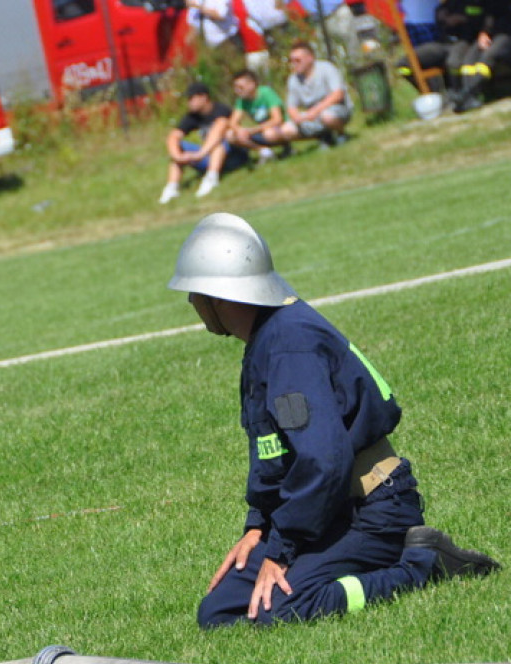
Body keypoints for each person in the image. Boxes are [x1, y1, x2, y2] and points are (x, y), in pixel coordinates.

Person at [166, 212, 500, 627]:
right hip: (327, 511)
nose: (192, 304)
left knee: (280, 609)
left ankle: (421, 564)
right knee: (218, 612)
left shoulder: (289, 346)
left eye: (195, 292)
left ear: (220, 296)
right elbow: (278, 455)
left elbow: (324, 460)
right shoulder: (268, 338)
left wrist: (281, 548)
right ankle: (356, 563)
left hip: (373, 509)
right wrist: (258, 527)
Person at [159, 82, 251, 204]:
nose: (189, 102)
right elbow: (174, 136)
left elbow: (220, 128)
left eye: (192, 98)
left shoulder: (220, 109)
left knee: (219, 140)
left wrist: (200, 154)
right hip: (208, 156)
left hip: (234, 156)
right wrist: (178, 156)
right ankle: (172, 187)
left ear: (203, 97)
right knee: (179, 146)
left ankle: (212, 177)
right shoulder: (192, 116)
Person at [258, 41, 353, 149]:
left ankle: (341, 134)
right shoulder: (293, 79)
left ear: (310, 58)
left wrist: (315, 111)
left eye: (298, 60)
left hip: (334, 109)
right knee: (286, 130)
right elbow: (291, 106)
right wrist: (297, 117)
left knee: (327, 116)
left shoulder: (326, 68)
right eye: (292, 61)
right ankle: (323, 136)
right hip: (310, 116)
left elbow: (338, 94)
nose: (294, 64)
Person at [449, 0, 511, 113]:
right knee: (469, 59)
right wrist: (484, 32)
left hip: (506, 34)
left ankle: (467, 94)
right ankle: (467, 98)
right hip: (489, 34)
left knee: (487, 57)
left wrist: (486, 32)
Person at [226, 69, 288, 164]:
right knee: (230, 135)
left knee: (269, 133)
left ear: (252, 84)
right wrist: (240, 130)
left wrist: (253, 130)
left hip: (280, 127)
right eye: (235, 87)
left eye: (240, 87)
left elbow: (277, 119)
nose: (237, 91)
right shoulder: (241, 101)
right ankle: (264, 151)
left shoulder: (266, 93)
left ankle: (287, 147)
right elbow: (232, 122)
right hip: (262, 130)